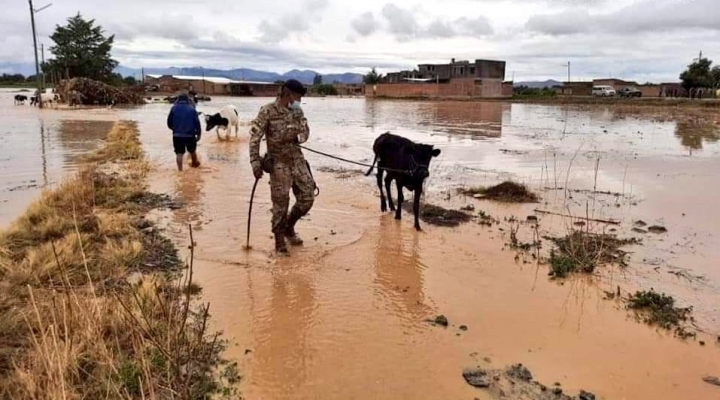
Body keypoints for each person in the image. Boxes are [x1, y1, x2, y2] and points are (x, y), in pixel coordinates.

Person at [249, 79, 314, 255]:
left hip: (297, 161)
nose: (299, 100)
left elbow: (306, 133)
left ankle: (289, 227)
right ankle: (279, 242)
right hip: (278, 163)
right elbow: (255, 138)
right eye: (298, 96)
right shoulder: (267, 111)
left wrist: (297, 137)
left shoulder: (297, 112)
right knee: (280, 203)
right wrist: (255, 163)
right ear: (289, 93)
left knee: (307, 198)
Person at [167, 93, 201, 171]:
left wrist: (175, 129)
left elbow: (169, 123)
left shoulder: (173, 108)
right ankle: (194, 164)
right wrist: (199, 134)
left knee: (179, 153)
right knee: (192, 151)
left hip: (177, 135)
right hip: (190, 135)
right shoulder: (192, 109)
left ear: (178, 100)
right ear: (187, 100)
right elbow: (197, 123)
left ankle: (180, 171)